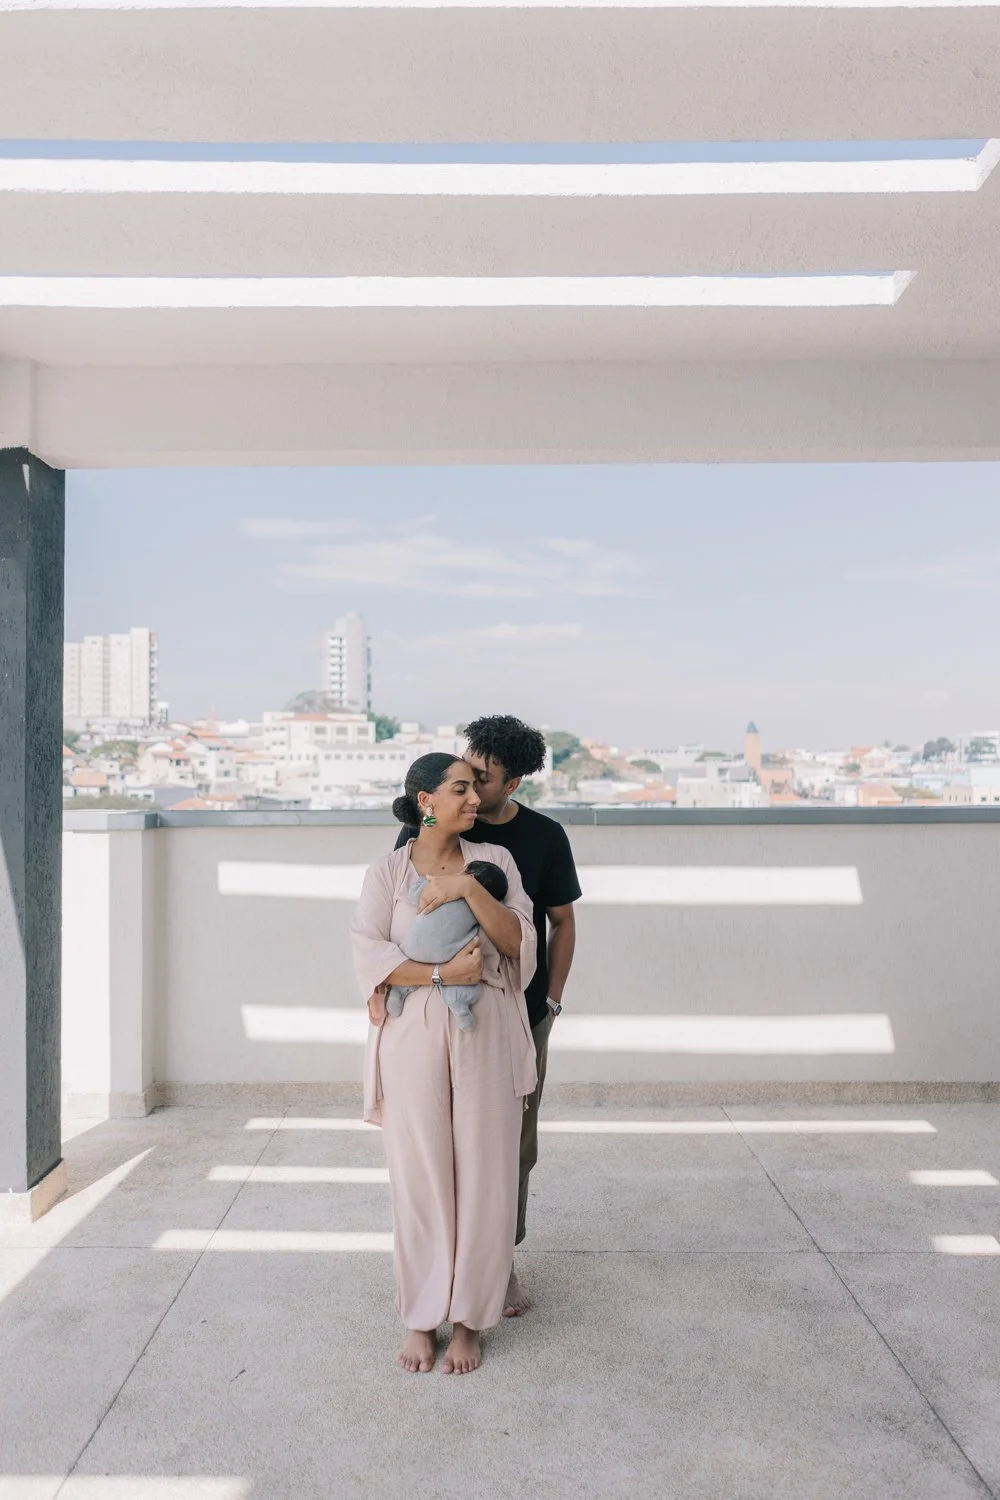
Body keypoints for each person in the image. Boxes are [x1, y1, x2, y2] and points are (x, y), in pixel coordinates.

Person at [352, 753, 538, 1374]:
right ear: (425, 800)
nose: (473, 800)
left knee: (486, 1174)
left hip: (486, 1027)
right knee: (420, 1172)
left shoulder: (499, 864)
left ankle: (468, 1323)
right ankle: (420, 1317)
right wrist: (439, 972)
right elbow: (369, 961)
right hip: (411, 1031)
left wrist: (465, 887)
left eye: (474, 788)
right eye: (459, 790)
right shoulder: (385, 872)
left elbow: (516, 943)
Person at [394, 714, 581, 1317]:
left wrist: (550, 1001)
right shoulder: (430, 837)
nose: (472, 788)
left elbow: (561, 922)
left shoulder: (544, 837)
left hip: (523, 1010)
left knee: (512, 1148)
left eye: (484, 778)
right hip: (444, 1013)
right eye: (465, 775)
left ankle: (499, 1265)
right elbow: (407, 922)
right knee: (444, 1142)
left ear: (514, 784)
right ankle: (447, 1271)